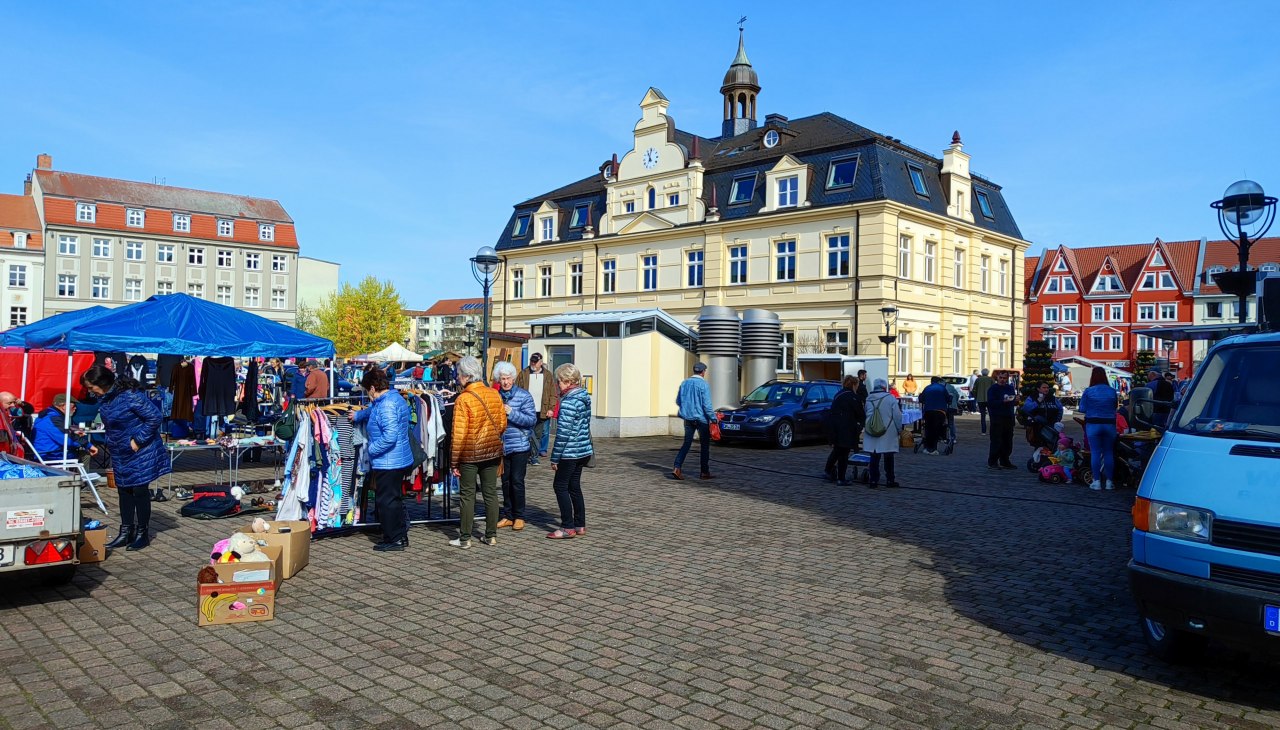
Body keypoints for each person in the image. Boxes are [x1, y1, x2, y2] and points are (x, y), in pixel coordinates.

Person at [82, 365, 169, 551]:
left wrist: (137, 440)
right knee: (123, 490)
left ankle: (142, 533)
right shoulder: (105, 399)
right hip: (120, 450)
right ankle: (126, 530)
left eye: (91, 387)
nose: (90, 391)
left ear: (102, 383)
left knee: (139, 489)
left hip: (140, 449)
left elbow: (155, 417)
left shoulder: (130, 396)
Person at [353, 368, 414, 551]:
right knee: (393, 499)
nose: (366, 394)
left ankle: (394, 538)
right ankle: (399, 536)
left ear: (372, 388)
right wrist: (358, 415)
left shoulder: (386, 405)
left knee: (386, 501)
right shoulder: (392, 399)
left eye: (366, 391)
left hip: (389, 460)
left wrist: (370, 449)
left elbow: (390, 436)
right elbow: (373, 410)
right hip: (397, 458)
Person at [449, 356, 506, 548]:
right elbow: (501, 424)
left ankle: (465, 538)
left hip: (470, 454)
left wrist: (454, 462)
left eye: (459, 375)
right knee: (490, 493)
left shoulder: (463, 399)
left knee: (467, 495)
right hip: (491, 451)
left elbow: (458, 435)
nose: (457, 378)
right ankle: (491, 535)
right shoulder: (494, 394)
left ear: (466, 376)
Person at [547, 363, 592, 539]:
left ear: (567, 381)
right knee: (574, 487)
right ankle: (580, 523)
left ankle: (567, 526)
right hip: (582, 449)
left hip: (569, 451)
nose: (558, 385)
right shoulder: (583, 397)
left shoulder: (569, 402)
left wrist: (555, 458)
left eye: (559, 381)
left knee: (560, 486)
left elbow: (563, 433)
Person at [493, 361, 535, 531]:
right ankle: (508, 515)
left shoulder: (524, 396)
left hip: (520, 445)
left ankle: (519, 516)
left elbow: (531, 420)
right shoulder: (495, 395)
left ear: (513, 378)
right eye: (502, 379)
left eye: (508, 378)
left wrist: (511, 412)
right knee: (505, 481)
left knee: (517, 481)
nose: (505, 382)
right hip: (502, 446)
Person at [672, 361, 716, 480]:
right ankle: (704, 472)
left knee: (686, 443)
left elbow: (678, 401)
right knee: (704, 446)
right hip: (701, 419)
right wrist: (713, 418)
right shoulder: (703, 384)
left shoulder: (684, 383)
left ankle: (677, 467)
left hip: (688, 418)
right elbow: (707, 405)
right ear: (703, 372)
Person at [1079, 366, 1119, 491]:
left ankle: (1096, 481)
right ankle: (1109, 481)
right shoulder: (1112, 391)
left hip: (1093, 424)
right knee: (1108, 452)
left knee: (1095, 452)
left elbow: (1082, 409)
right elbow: (1115, 407)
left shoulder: (1088, 391)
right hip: (1109, 424)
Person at [32, 393, 98, 465]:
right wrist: (88, 445)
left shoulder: (47, 416)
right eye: (73, 406)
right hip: (51, 455)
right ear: (64, 406)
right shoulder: (54, 418)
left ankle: (77, 474)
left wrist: (72, 433)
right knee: (85, 455)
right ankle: (79, 476)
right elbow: (66, 440)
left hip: (46, 451)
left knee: (80, 452)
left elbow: (60, 434)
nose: (75, 408)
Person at [516, 353, 557, 465]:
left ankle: (534, 455)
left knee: (538, 434)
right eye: (532, 361)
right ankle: (530, 455)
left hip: (542, 410)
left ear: (541, 362)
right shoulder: (523, 374)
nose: (533, 364)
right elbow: (517, 390)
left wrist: (551, 408)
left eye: (535, 361)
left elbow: (553, 394)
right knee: (527, 433)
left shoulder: (548, 375)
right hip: (526, 410)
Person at [824, 375, 865, 485]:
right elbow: (860, 414)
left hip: (835, 427)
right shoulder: (853, 397)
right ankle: (841, 478)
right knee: (844, 453)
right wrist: (861, 425)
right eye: (856, 385)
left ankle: (828, 470)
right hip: (846, 428)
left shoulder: (838, 394)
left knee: (837, 450)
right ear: (853, 385)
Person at [864, 379, 903, 488]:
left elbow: (866, 413)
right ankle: (890, 480)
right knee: (889, 457)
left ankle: (873, 480)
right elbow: (897, 416)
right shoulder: (890, 398)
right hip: (888, 431)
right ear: (884, 387)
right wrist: (899, 429)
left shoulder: (868, 399)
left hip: (872, 430)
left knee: (874, 457)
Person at [986, 371, 1019, 469]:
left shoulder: (1009, 388)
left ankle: (1005, 460)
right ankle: (993, 461)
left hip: (1008, 417)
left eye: (1004, 378)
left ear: (1007, 378)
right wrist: (1002, 401)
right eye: (1001, 377)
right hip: (997, 417)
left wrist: (1015, 400)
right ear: (997, 378)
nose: (1002, 380)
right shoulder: (993, 389)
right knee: (997, 440)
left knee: (1008, 441)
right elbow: (991, 403)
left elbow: (1012, 401)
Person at [918, 376, 950, 454]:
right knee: (937, 428)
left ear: (931, 381)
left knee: (928, 429)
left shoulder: (927, 388)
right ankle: (934, 448)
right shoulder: (942, 388)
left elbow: (921, 399)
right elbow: (948, 399)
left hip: (928, 411)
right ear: (938, 381)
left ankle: (927, 447)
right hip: (940, 411)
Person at [972, 368, 994, 434]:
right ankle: (992, 430)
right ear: (988, 373)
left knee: (983, 416)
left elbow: (974, 389)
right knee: (991, 415)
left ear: (982, 373)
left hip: (980, 399)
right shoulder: (991, 379)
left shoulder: (978, 379)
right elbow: (994, 389)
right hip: (990, 399)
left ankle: (983, 431)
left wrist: (976, 396)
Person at [944, 378, 962, 445]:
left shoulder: (940, 387)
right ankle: (953, 437)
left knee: (943, 422)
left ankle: (944, 437)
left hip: (944, 407)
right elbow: (957, 395)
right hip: (952, 407)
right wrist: (955, 402)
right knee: (951, 422)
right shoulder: (951, 387)